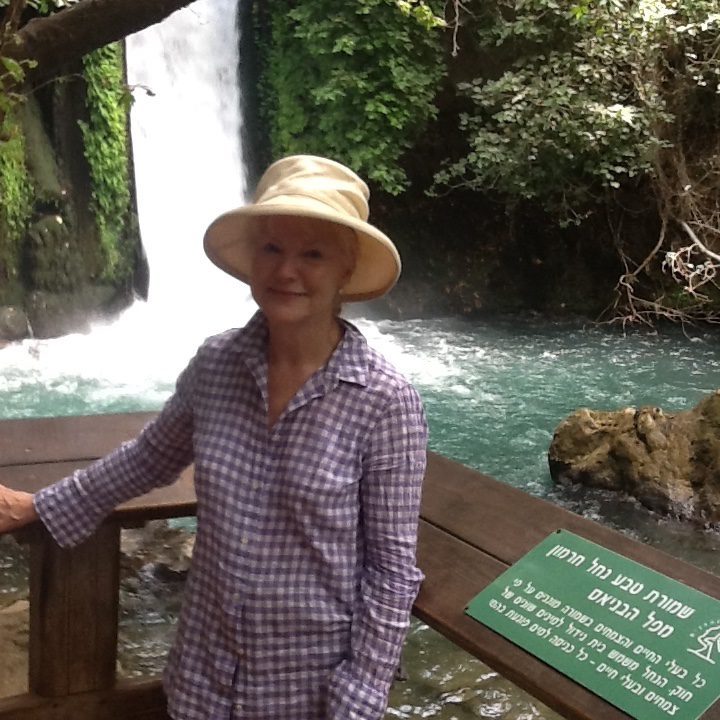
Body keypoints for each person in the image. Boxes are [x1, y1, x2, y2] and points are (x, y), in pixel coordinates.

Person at [0, 155, 428, 720]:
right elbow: (150, 458)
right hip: (204, 678)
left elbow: (392, 571)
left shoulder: (385, 401)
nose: (286, 271)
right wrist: (39, 505)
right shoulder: (217, 363)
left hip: (309, 691)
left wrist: (360, 694)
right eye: (272, 248)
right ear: (252, 259)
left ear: (345, 271)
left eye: (313, 254)